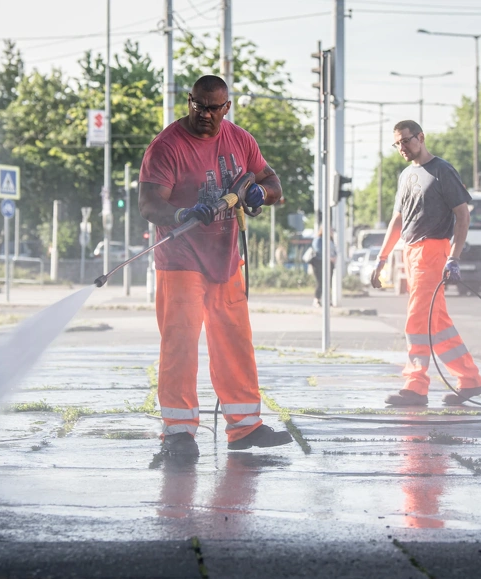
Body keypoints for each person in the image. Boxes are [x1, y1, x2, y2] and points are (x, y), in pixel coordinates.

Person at [138, 74, 293, 457]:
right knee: (181, 344)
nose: (204, 114)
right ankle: (178, 433)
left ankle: (245, 427)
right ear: (189, 101)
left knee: (234, 342)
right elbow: (148, 204)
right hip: (180, 260)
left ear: (226, 107)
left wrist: (261, 191)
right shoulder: (167, 146)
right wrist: (182, 212)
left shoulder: (240, 140)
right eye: (198, 105)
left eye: (213, 108)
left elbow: (273, 182)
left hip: (225, 259)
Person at [370, 120, 481, 406]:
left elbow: (463, 215)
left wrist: (453, 257)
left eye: (406, 141)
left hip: (433, 251)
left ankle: (416, 385)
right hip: (410, 252)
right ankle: (470, 380)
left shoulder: (442, 171)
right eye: (397, 143)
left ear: (421, 137)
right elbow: (397, 220)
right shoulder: (406, 176)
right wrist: (382, 257)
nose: (402, 148)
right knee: (437, 324)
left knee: (417, 320)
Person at [309, 223, 335, 308]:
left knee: (328, 282)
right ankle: (317, 300)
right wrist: (329, 257)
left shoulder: (331, 240)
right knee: (320, 282)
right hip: (319, 263)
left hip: (329, 264)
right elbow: (318, 250)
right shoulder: (319, 240)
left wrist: (334, 257)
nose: (331, 231)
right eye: (329, 230)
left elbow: (334, 250)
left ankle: (328, 300)